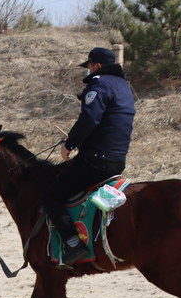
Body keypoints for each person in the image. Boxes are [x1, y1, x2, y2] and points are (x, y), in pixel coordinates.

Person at [43, 47, 137, 265]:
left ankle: (74, 245)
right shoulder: (124, 87)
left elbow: (90, 119)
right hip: (117, 159)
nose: (88, 71)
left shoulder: (99, 84)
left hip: (96, 159)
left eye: (89, 66)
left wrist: (69, 144)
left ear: (97, 66)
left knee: (51, 196)